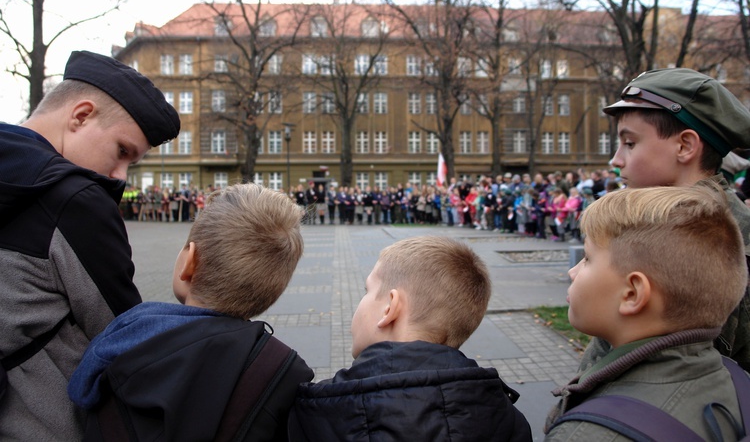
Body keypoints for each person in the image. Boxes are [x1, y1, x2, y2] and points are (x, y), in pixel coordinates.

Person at [0, 50, 180, 440]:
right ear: (80, 116)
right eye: (122, 152)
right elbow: (124, 333)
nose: (120, 176)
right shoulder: (75, 200)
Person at [68, 183, 313, 440]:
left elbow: (80, 390)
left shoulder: (136, 328)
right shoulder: (274, 365)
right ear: (272, 291)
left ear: (189, 261)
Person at [545, 185, 747, 440]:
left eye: (587, 258)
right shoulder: (737, 382)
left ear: (631, 293)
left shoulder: (587, 435)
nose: (572, 272)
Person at [288, 236, 532, 441]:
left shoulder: (318, 411)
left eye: (367, 291)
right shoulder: (507, 417)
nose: (361, 301)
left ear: (390, 308)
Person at [598, 67, 750, 371]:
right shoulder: (662, 222)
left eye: (630, 143)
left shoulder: (716, 242)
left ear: (684, 146)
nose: (616, 160)